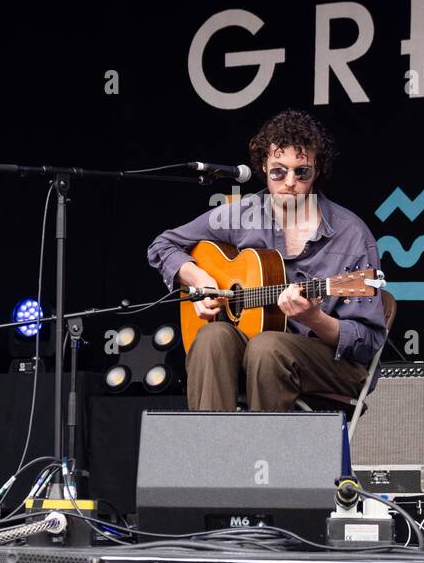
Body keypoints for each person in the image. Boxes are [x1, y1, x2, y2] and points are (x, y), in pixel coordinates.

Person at [147, 109, 386, 411]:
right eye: (278, 171)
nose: (289, 182)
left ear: (317, 171)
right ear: (263, 166)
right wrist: (199, 280)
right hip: (253, 351)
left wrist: (314, 319)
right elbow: (163, 245)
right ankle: (210, 453)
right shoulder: (241, 215)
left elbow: (367, 342)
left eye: (302, 172)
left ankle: (265, 456)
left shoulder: (351, 234)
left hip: (332, 364)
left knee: (269, 346)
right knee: (211, 338)